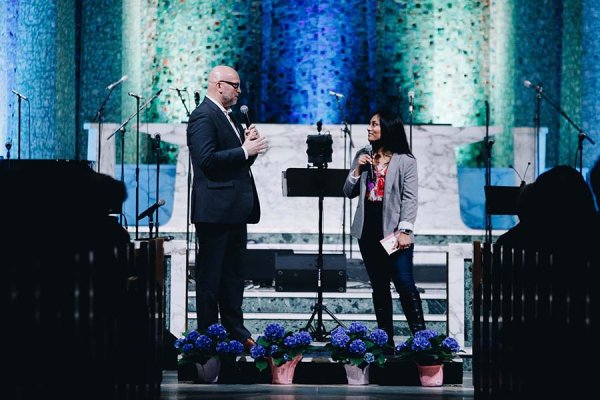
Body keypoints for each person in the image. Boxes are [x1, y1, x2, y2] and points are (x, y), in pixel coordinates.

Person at [186, 65, 268, 351]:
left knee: (234, 275)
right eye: (235, 85)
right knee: (211, 277)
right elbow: (206, 160)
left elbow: (237, 163)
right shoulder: (202, 116)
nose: (239, 91)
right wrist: (245, 150)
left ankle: (235, 331)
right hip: (214, 210)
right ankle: (208, 335)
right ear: (218, 85)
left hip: (234, 209)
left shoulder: (230, 116)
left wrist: (249, 147)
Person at [343, 110, 424, 346]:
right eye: (370, 124)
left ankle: (422, 340)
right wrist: (357, 170)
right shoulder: (363, 155)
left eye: (374, 124)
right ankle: (385, 341)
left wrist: (405, 231)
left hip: (394, 233)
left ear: (387, 128)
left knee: (404, 283)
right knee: (379, 286)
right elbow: (347, 192)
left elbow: (410, 198)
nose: (369, 128)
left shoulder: (405, 161)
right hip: (368, 232)